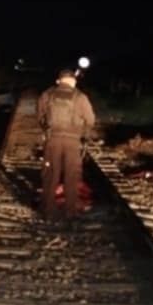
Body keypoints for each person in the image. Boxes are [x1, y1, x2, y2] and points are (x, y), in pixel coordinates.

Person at [37, 68, 96, 221]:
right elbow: (90, 120)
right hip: (72, 141)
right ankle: (71, 212)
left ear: (59, 80)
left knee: (51, 175)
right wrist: (84, 135)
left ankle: (48, 212)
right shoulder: (80, 97)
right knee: (72, 176)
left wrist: (47, 130)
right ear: (73, 81)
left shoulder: (47, 94)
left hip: (53, 140)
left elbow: (39, 116)